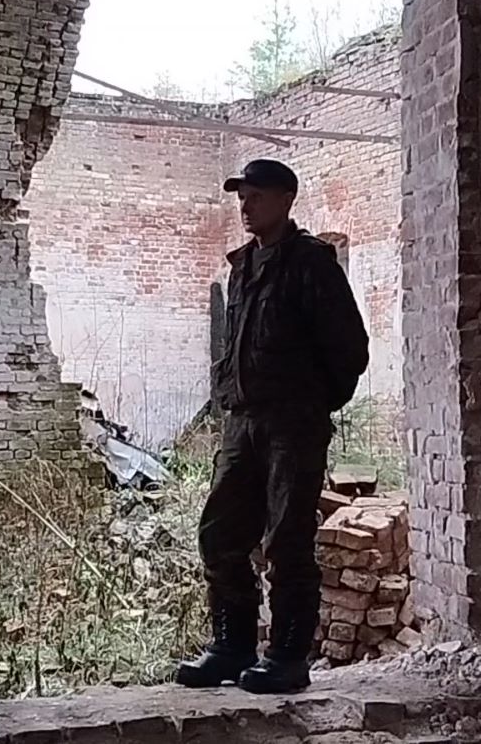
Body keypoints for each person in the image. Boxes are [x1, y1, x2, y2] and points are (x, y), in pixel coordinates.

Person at [176, 158, 370, 694]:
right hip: (242, 422)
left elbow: (350, 348)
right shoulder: (243, 266)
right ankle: (232, 647)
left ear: (286, 200)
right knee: (220, 534)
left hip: (292, 423)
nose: (246, 205)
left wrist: (311, 404)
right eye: (242, 197)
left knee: (287, 540)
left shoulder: (311, 262)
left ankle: (287, 656)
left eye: (256, 196)